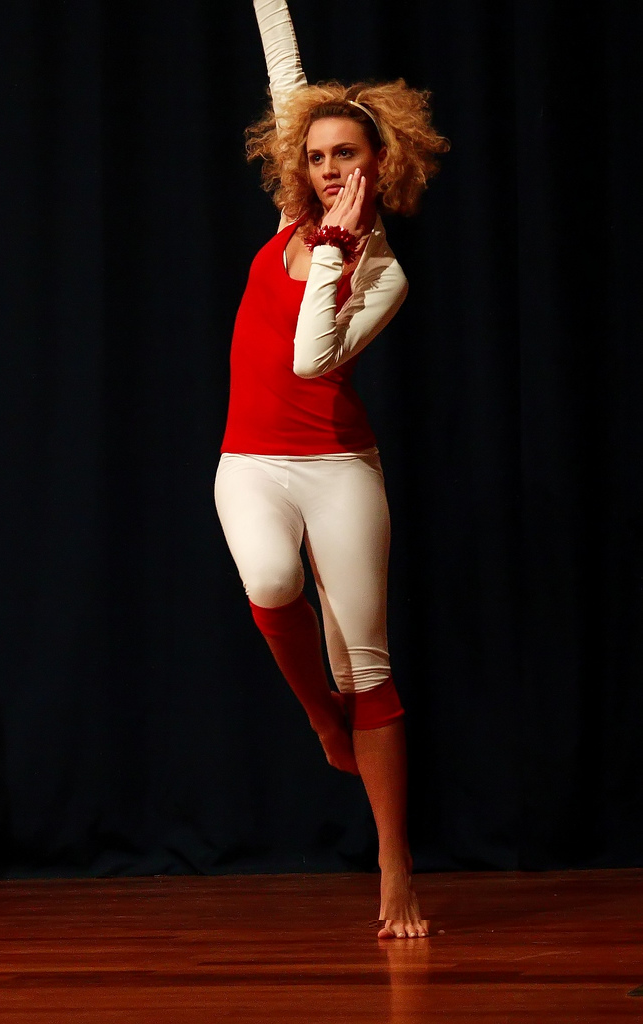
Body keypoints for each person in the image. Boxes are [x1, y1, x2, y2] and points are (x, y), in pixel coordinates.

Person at [215, 0, 448, 939]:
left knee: (369, 666)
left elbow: (314, 360)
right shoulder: (290, 215)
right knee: (271, 581)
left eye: (344, 154)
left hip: (339, 464)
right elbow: (287, 69)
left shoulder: (384, 275)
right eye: (314, 157)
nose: (326, 170)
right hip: (251, 460)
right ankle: (321, 719)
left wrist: (339, 255)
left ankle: (396, 864)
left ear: (379, 162)